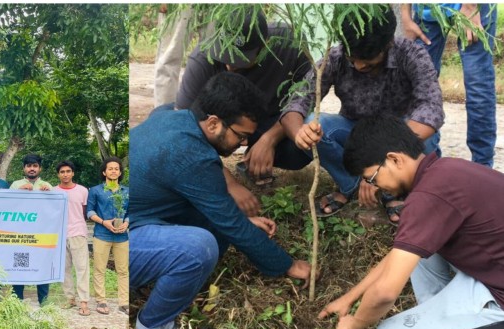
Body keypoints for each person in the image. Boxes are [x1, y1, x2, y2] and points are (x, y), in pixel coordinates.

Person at [130, 72, 312, 329]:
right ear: (214, 123)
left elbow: (219, 208)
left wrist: (241, 222)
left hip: (139, 221)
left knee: (219, 224)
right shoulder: (190, 154)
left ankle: (163, 279)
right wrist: (289, 265)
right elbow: (230, 223)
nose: (242, 145)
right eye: (240, 136)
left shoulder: (170, 115)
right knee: (197, 248)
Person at [320, 114, 504, 329]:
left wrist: (356, 323)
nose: (376, 188)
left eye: (372, 178)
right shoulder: (445, 170)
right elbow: (401, 253)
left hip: (495, 291)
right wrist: (350, 297)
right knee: (414, 247)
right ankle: (451, 321)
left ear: (394, 159)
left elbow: (384, 293)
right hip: (491, 274)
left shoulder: (428, 196)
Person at [280, 5, 444, 224]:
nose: (358, 66)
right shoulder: (336, 57)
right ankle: (353, 185)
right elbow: (298, 100)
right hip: (356, 132)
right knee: (312, 123)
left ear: (388, 44)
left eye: (367, 60)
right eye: (353, 59)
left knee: (428, 136)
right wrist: (299, 133)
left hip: (398, 136)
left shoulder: (411, 54)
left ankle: (393, 191)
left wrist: (378, 161)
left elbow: (431, 109)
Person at [176, 10, 312, 211]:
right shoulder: (203, 58)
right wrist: (228, 182)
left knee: (301, 147)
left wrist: (269, 139)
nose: (230, 66)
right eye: (225, 55)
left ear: (265, 45)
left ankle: (254, 159)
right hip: (220, 125)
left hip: (269, 120)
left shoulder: (289, 43)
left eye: (240, 58)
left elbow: (306, 95)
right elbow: (181, 126)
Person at [401, 3, 497, 168]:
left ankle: (482, 168)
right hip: (427, 9)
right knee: (416, 84)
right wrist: (406, 15)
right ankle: (428, 167)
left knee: (477, 85)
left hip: (472, 7)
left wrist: (471, 5)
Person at [87, 157, 129, 316]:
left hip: (122, 236)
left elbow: (131, 212)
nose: (113, 171)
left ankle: (124, 302)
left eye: (116, 169)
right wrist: (104, 222)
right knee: (99, 269)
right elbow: (90, 212)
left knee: (123, 270)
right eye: (110, 168)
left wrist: (126, 223)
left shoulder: (127, 192)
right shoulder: (96, 190)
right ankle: (101, 300)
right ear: (104, 172)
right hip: (102, 234)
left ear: (120, 172)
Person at [10, 154, 52, 305]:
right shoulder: (15, 185)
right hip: (20, 236)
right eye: (29, 166)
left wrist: (50, 195)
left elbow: (53, 210)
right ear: (24, 168)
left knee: (41, 267)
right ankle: (17, 303)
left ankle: (44, 303)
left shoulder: (47, 185)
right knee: (18, 268)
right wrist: (18, 191)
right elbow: (7, 206)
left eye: (35, 166)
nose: (32, 169)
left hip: (41, 236)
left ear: (39, 168)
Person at [52, 161, 91, 316]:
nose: (65, 174)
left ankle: (84, 302)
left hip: (78, 233)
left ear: (73, 173)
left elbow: (84, 211)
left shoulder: (82, 191)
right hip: (60, 235)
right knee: (64, 269)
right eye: (62, 172)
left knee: (82, 268)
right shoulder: (53, 191)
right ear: (58, 174)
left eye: (68, 171)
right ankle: (70, 299)